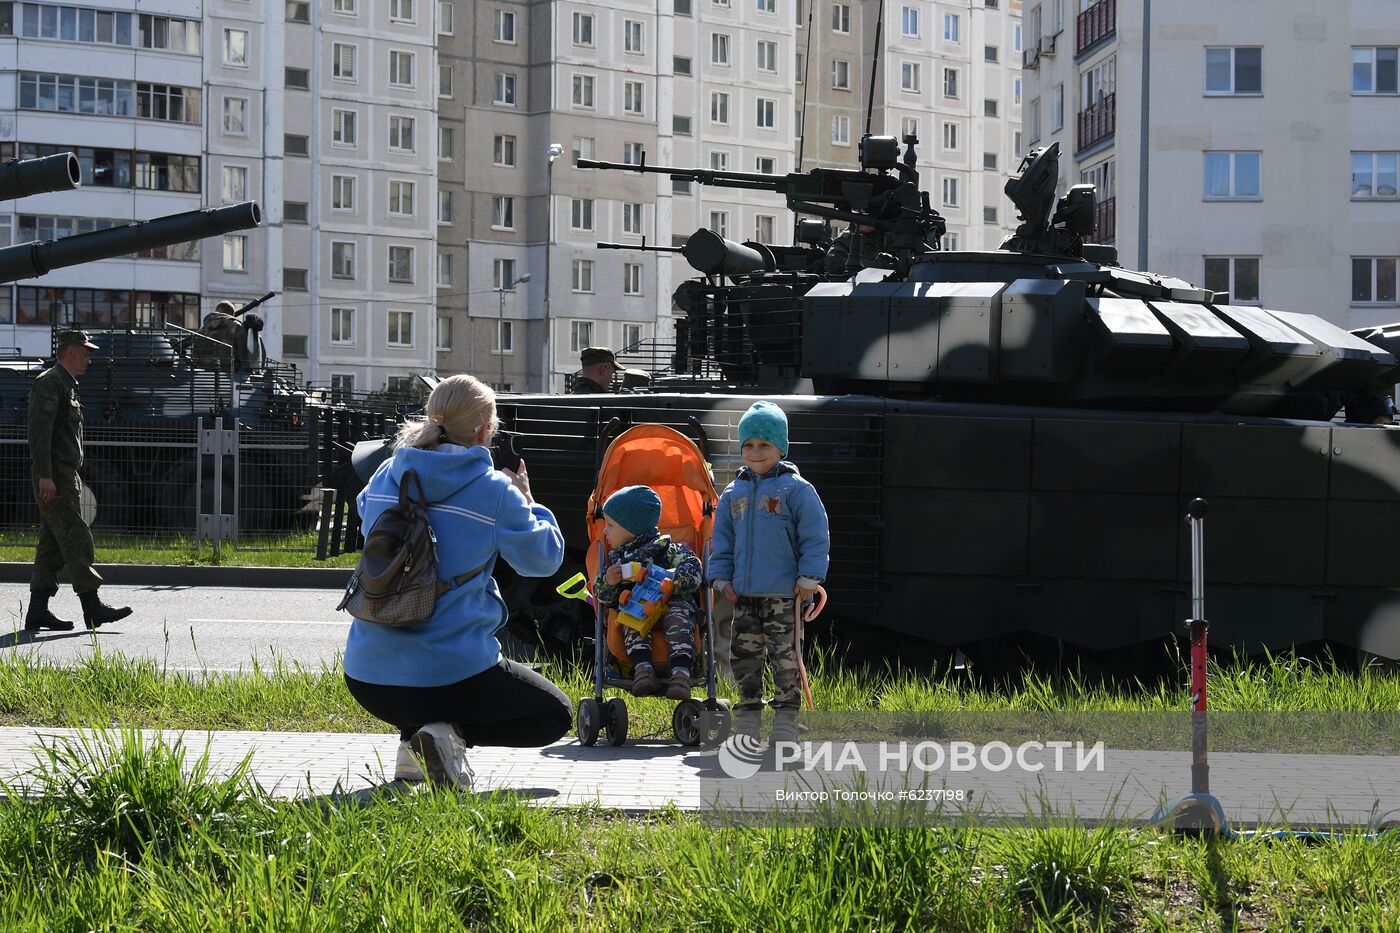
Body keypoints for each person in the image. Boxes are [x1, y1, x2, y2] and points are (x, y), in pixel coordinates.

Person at [342, 373, 572, 789]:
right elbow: (543, 560)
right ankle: (445, 736)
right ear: (486, 429)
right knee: (554, 715)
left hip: (366, 678)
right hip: (451, 677)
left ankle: (413, 747)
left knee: (421, 679)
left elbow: (365, 514)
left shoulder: (387, 475)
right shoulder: (494, 490)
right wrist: (529, 501)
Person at [709, 400, 830, 745]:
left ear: (781, 447)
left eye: (764, 444)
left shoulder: (797, 490)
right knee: (744, 659)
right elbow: (723, 540)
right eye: (748, 444)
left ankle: (785, 725)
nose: (755, 451)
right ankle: (747, 723)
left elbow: (815, 536)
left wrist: (810, 578)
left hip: (783, 596)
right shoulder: (734, 493)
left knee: (785, 660)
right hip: (744, 595)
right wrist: (721, 578)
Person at [25, 330, 133, 632]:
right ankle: (92, 606)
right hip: (55, 473)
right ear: (71, 351)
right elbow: (39, 432)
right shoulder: (50, 382)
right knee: (76, 536)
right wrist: (46, 474)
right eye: (86, 352)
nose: (89, 358)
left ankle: (37, 611)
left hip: (63, 472)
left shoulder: (65, 384)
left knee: (53, 546)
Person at [593, 485, 704, 700]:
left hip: (671, 603)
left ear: (631, 528)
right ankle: (643, 670)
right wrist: (608, 581)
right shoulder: (618, 560)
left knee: (680, 617)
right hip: (638, 608)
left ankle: (681, 673)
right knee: (629, 617)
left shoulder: (668, 549)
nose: (605, 531)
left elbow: (693, 567)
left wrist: (672, 579)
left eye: (610, 525)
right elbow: (603, 596)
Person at [824, 222, 888, 276]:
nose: (861, 220)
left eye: (866, 213)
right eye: (858, 211)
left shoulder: (887, 236)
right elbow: (833, 261)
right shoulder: (846, 239)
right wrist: (875, 266)